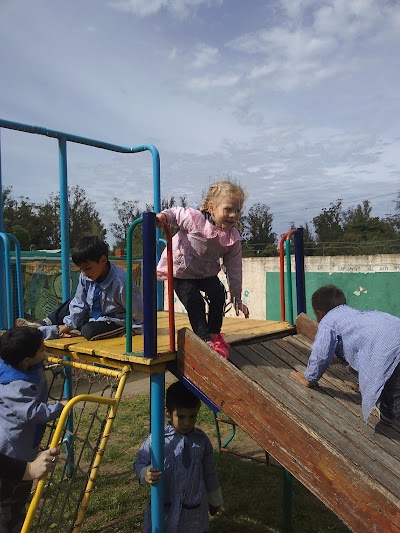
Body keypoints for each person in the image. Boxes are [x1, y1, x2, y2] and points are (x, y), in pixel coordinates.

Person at [156, 180, 249, 359]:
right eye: (228, 209)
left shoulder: (233, 237)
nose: (233, 215)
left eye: (237, 211)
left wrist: (236, 296)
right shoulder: (194, 218)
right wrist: (163, 217)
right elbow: (176, 213)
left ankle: (215, 333)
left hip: (205, 272)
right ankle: (204, 338)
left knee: (218, 293)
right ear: (211, 208)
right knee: (194, 300)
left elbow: (235, 267)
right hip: (181, 271)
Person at [291, 285, 400, 427]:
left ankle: (391, 412)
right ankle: (389, 411)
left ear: (319, 313)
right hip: (394, 329)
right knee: (391, 380)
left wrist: (309, 378)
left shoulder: (328, 322)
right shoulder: (352, 314)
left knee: (394, 393)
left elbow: (321, 355)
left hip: (389, 350)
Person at [0, 327, 67, 532]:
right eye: (41, 350)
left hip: (22, 447)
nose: (44, 352)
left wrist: (56, 329)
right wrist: (61, 407)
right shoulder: (14, 386)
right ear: (27, 360)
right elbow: (32, 412)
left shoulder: (17, 359)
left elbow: (37, 334)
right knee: (11, 504)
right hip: (12, 454)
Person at [134, 381, 223, 532]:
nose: (187, 422)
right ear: (168, 412)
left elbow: (209, 473)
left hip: (193, 513)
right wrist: (145, 473)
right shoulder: (158, 438)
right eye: (181, 416)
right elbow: (140, 461)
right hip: (164, 509)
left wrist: (214, 500)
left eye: (192, 416)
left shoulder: (202, 441)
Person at [17, 235, 143, 341]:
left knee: (88, 331)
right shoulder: (86, 276)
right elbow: (79, 302)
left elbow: (138, 310)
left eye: (87, 268)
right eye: (80, 269)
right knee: (72, 302)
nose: (83, 273)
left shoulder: (122, 282)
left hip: (115, 319)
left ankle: (54, 329)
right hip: (92, 313)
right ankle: (43, 324)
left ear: (103, 260)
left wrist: (135, 329)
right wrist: (70, 324)